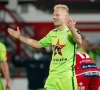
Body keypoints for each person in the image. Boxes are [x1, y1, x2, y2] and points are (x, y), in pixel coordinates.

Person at [8, 4, 82, 90]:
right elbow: (37, 44)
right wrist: (20, 37)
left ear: (66, 17)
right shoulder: (52, 33)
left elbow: (79, 41)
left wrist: (73, 29)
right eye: (54, 15)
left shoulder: (71, 32)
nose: (54, 17)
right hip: (52, 77)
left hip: (66, 78)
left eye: (57, 15)